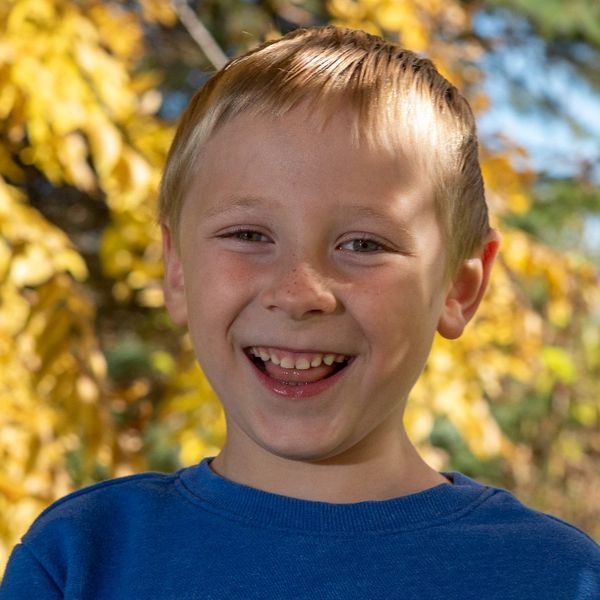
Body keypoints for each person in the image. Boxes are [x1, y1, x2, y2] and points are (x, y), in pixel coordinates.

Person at [1, 25, 599, 600]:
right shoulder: (83, 558)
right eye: (247, 234)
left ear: (459, 289)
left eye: (363, 244)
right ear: (177, 268)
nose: (299, 291)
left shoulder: (556, 578)